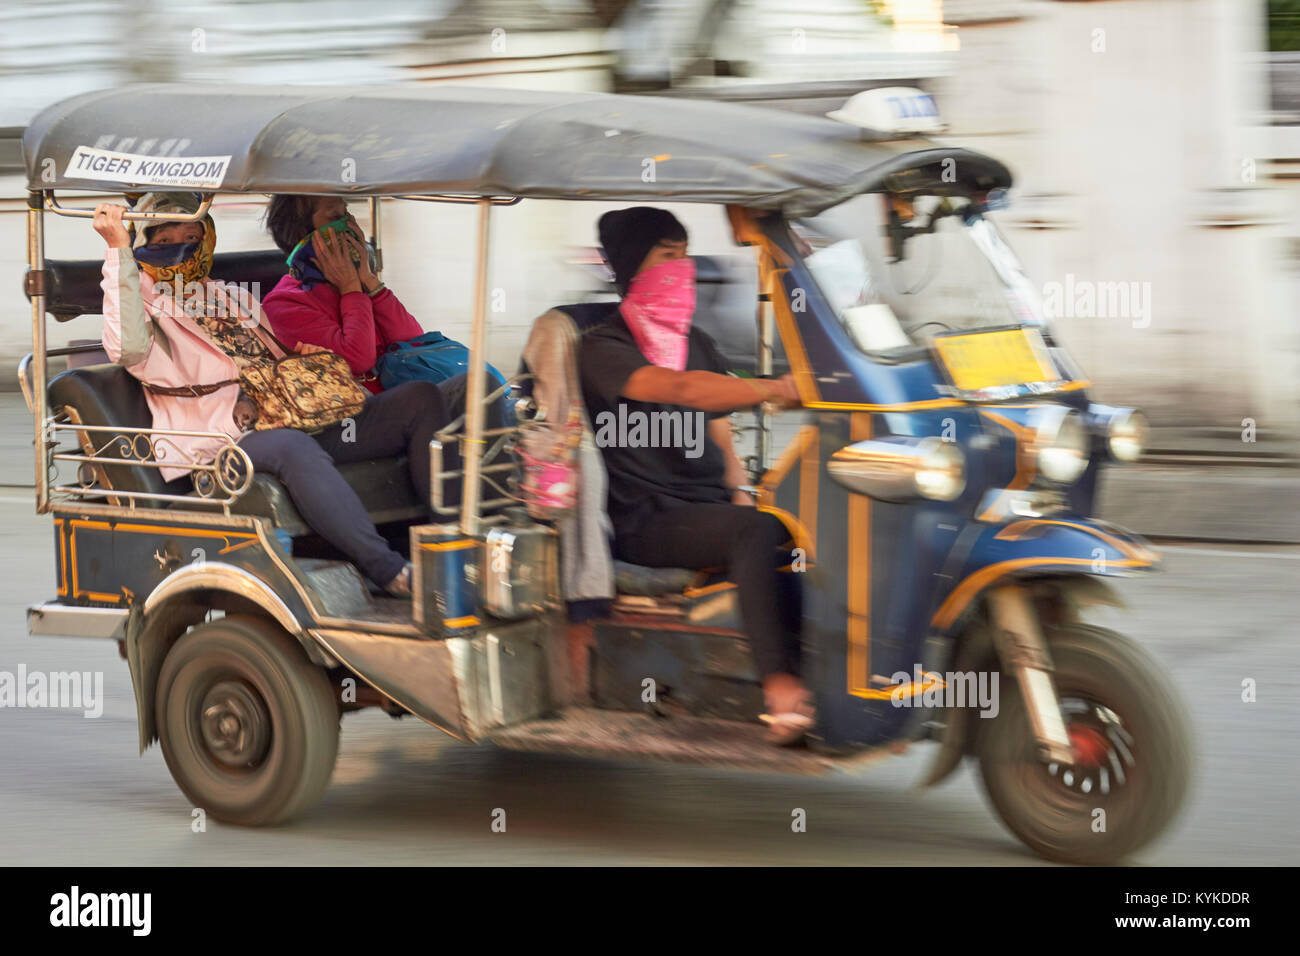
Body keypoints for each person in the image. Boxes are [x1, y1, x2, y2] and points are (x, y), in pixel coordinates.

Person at [93, 193, 446, 597]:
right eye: (166, 240)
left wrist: (301, 359)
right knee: (292, 447)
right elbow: (126, 348)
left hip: (287, 414)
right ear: (146, 244)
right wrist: (118, 252)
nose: (181, 247)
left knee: (420, 399)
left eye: (192, 235)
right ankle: (390, 572)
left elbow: (272, 360)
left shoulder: (231, 296)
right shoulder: (146, 303)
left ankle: (448, 549)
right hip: (223, 439)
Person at [577, 206, 812, 744]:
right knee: (758, 532)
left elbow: (720, 427)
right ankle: (779, 686)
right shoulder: (604, 347)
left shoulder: (695, 341)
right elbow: (682, 390)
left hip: (707, 504)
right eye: (666, 255)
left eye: (684, 254)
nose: (681, 267)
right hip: (646, 520)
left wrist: (741, 490)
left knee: (802, 516)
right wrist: (774, 388)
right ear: (633, 264)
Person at [261, 195, 421, 393]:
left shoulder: (362, 285)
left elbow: (416, 341)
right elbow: (357, 360)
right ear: (306, 237)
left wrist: (369, 280)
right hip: (359, 407)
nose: (349, 224)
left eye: (347, 214)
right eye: (336, 217)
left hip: (406, 385)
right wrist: (351, 290)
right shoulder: (284, 305)